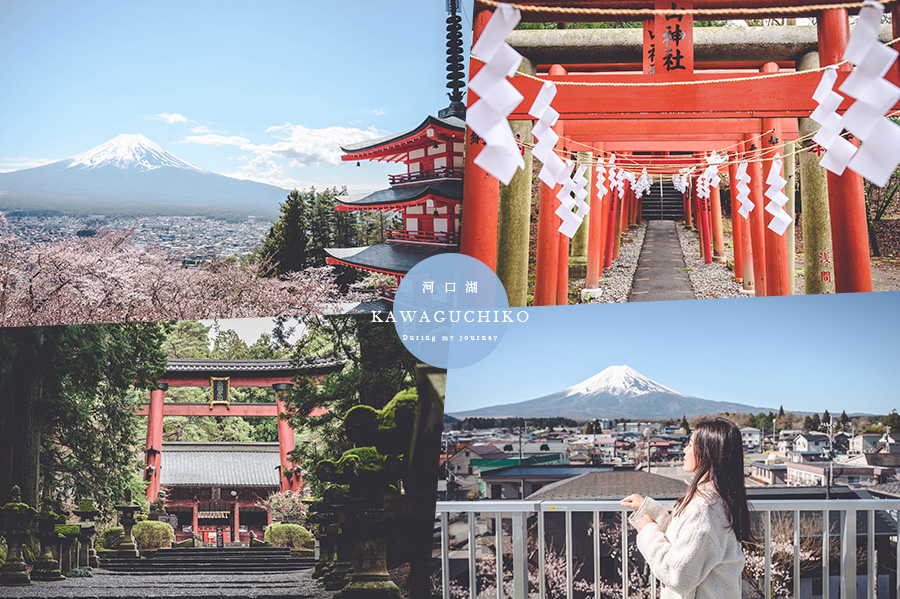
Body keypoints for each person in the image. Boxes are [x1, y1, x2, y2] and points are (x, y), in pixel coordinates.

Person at [619, 418, 752, 599]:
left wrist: (648, 531)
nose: (684, 450)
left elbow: (678, 574)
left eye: (690, 444)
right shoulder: (717, 499)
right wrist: (648, 509)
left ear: (706, 453)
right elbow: (684, 542)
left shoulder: (704, 508)